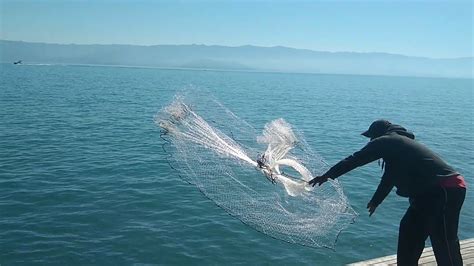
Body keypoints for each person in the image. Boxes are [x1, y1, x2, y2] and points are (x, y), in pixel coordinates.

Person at [309, 119, 466, 266]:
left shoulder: (388, 141)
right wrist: (376, 201)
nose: (370, 141)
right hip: (426, 195)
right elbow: (389, 178)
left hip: (445, 189)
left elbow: (355, 159)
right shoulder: (398, 147)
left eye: (371, 137)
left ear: (377, 135)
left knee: (443, 240)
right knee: (409, 233)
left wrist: (327, 176)